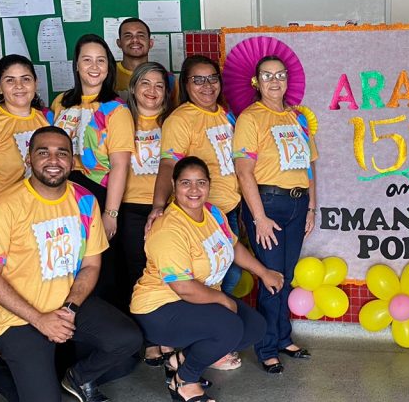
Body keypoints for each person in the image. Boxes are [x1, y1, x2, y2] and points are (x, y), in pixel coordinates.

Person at [0, 127, 141, 402]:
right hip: (20, 317)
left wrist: (69, 309)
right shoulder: (4, 206)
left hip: (68, 305)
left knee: (127, 345)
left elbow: (91, 266)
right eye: (43, 152)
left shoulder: (85, 200)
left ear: (72, 161)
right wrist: (40, 319)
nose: (53, 160)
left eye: (62, 153)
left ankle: (75, 377)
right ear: (29, 159)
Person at [131, 157, 282, 402]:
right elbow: (183, 287)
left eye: (201, 182)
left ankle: (180, 360)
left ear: (209, 185)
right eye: (186, 183)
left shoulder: (213, 212)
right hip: (159, 307)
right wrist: (223, 300)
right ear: (174, 185)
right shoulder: (168, 228)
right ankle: (184, 380)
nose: (194, 190)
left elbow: (232, 245)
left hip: (197, 298)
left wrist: (263, 272)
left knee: (254, 327)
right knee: (229, 327)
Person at [234, 55, 318, 373]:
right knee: (271, 278)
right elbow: (244, 171)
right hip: (268, 204)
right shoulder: (250, 118)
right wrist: (258, 218)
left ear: (287, 80)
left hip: (298, 204)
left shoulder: (298, 118)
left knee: (287, 275)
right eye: (267, 76)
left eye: (280, 75)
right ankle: (267, 347)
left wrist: (311, 207)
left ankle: (283, 337)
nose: (274, 81)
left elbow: (309, 166)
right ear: (257, 82)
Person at [152, 55, 243, 298]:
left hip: (228, 211)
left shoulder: (226, 115)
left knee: (230, 273)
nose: (207, 85)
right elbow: (168, 165)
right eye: (198, 80)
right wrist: (158, 205)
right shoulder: (180, 119)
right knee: (212, 278)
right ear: (186, 84)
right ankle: (214, 317)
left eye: (212, 78)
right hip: (200, 214)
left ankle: (221, 316)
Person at [50, 34, 133, 236]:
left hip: (97, 191)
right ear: (77, 65)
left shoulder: (116, 109)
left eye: (100, 60)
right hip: (59, 188)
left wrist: (110, 213)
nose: (94, 66)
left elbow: (120, 165)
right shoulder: (61, 101)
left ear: (108, 67)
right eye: (87, 59)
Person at [117, 62, 169, 319]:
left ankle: (164, 326)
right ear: (133, 87)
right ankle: (141, 330)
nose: (152, 90)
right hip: (130, 208)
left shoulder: (174, 121)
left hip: (167, 208)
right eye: (145, 83)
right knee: (136, 270)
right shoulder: (120, 119)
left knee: (166, 270)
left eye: (159, 85)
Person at [0, 54, 51, 208]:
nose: (19, 86)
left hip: (45, 208)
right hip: (6, 209)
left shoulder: (48, 119)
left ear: (35, 83)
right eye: (10, 80)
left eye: (25, 79)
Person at [114, 18, 177, 104]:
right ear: (119, 43)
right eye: (128, 36)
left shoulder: (169, 79)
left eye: (141, 36)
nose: (135, 40)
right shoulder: (108, 74)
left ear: (150, 43)